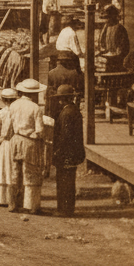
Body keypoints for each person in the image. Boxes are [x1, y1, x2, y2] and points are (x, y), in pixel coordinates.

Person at [6, 79, 48, 215]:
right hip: (30, 142)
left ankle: (13, 203)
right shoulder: (35, 108)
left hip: (16, 140)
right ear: (34, 94)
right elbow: (40, 130)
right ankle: (31, 206)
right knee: (31, 173)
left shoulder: (13, 105)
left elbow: (8, 129)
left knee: (14, 173)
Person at [52, 85, 85, 217]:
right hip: (74, 152)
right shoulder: (75, 110)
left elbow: (65, 136)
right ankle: (69, 208)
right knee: (70, 181)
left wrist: (57, 151)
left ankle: (63, 209)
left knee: (63, 182)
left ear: (62, 99)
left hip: (66, 153)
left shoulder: (66, 113)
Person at [0, 88, 21, 207]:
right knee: (15, 169)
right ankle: (15, 198)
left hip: (6, 143)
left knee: (3, 169)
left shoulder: (2, 113)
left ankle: (2, 198)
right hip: (17, 143)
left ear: (3, 100)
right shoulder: (19, 112)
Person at [46, 51, 84, 120]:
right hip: (69, 101)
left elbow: (49, 92)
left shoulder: (51, 73)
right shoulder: (74, 73)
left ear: (58, 61)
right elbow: (78, 89)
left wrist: (47, 110)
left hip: (55, 102)